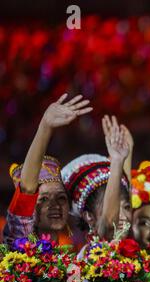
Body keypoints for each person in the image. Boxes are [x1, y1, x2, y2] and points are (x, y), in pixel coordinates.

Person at [3, 93, 91, 246]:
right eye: (43, 199)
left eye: (61, 198)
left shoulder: (78, 261)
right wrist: (45, 126)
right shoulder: (19, 249)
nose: (54, 205)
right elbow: (27, 190)